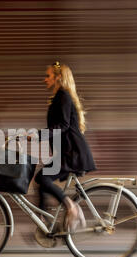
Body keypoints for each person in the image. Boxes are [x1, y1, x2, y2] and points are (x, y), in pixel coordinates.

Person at [28, 61, 97, 232]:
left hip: (72, 152)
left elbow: (63, 126)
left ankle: (71, 207)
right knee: (41, 179)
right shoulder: (59, 96)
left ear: (58, 77)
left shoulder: (63, 96)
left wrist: (38, 134)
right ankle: (44, 223)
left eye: (48, 75)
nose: (45, 79)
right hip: (67, 151)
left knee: (42, 179)